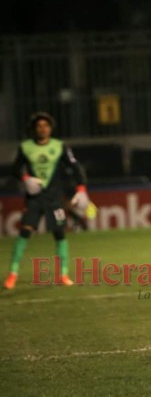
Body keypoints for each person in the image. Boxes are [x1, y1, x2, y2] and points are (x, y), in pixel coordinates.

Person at [3, 112, 90, 289]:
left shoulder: (59, 146)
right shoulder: (26, 147)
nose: (43, 129)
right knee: (25, 231)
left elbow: (75, 167)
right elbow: (14, 169)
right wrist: (26, 178)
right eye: (39, 126)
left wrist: (81, 188)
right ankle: (12, 274)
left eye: (46, 126)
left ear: (51, 128)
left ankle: (63, 274)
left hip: (54, 198)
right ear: (34, 129)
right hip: (34, 198)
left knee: (59, 233)